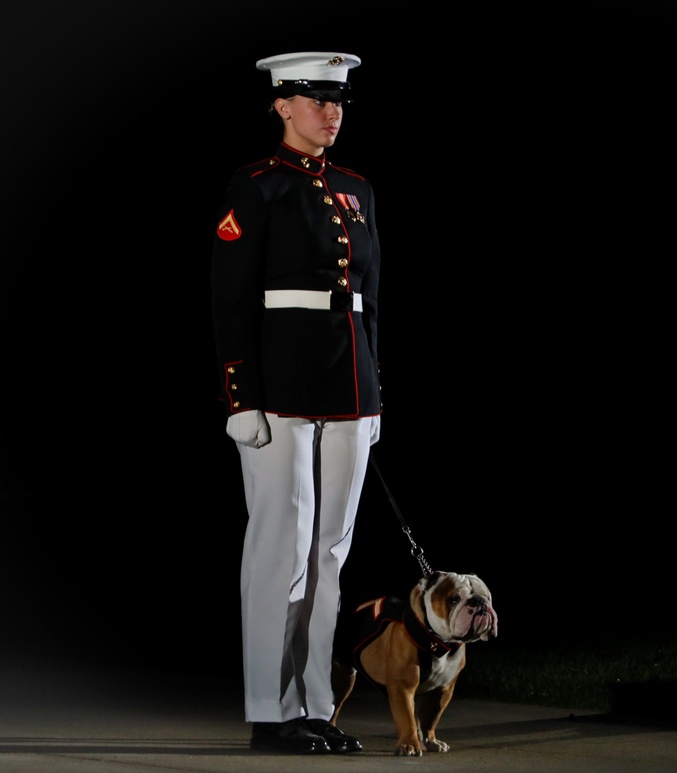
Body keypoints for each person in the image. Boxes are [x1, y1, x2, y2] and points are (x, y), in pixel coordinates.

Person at [210, 51, 382, 755]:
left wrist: (376, 392)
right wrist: (239, 395)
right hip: (279, 388)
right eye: (315, 98)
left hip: (351, 388)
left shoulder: (357, 188)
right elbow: (230, 300)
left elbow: (372, 304)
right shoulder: (256, 187)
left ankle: (315, 704)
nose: (330, 111)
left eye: (338, 100)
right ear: (281, 105)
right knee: (281, 547)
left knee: (329, 555)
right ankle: (269, 709)